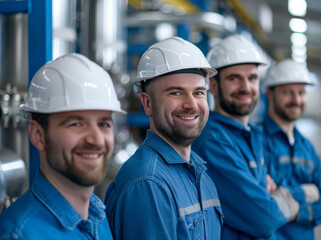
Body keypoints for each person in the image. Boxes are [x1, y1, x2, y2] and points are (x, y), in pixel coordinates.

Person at [105, 37, 223, 240]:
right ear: (147, 103)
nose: (191, 104)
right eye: (176, 93)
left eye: (199, 92)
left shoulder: (200, 173)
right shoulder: (147, 185)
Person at [0, 53, 125, 239]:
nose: (96, 140)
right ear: (38, 135)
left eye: (104, 124)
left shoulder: (96, 213)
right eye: (76, 124)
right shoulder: (20, 234)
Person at [192, 34, 300, 239]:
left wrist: (270, 197)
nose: (246, 87)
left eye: (252, 78)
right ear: (213, 86)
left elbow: (269, 195)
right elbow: (265, 219)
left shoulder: (252, 133)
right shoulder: (214, 142)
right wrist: (286, 198)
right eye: (234, 78)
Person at [261, 59, 321, 240]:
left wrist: (293, 211)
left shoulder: (306, 146)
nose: (296, 100)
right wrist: (307, 192)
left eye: (301, 92)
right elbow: (263, 205)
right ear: (270, 93)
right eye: (287, 92)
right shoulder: (256, 140)